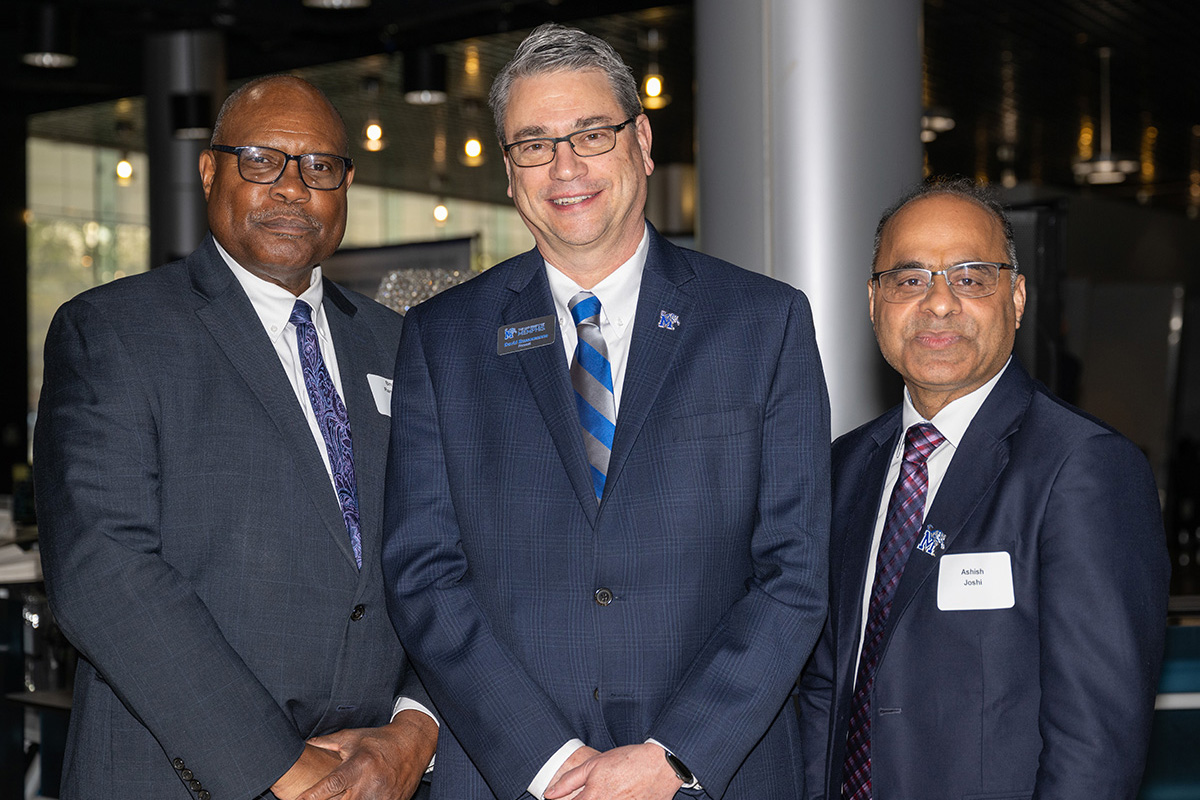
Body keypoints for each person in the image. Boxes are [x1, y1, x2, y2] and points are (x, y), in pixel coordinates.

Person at [380, 22, 830, 800]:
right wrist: (550, 764)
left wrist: (672, 756)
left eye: (592, 134)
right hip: (514, 778)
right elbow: (423, 576)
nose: (566, 167)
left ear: (642, 143)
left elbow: (795, 572)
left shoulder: (764, 323)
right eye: (535, 144)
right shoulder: (440, 339)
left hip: (710, 775)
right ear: (509, 172)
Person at [34, 75, 437, 800]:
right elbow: (104, 573)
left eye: (319, 166)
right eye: (261, 160)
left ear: (346, 186)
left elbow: (446, 555)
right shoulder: (115, 331)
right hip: (179, 777)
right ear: (208, 171)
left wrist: (414, 729)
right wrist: (281, 767)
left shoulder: (400, 346)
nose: (292, 188)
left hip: (377, 778)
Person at [798, 178, 1170, 800]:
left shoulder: (1085, 468)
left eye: (970, 278)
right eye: (909, 279)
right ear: (874, 301)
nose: (939, 304)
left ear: (1017, 298)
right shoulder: (846, 466)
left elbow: (1096, 748)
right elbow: (823, 686)